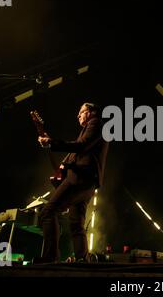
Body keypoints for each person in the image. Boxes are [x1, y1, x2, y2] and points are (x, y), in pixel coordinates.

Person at [37, 102, 109, 263]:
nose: (78, 116)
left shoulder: (96, 123)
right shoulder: (90, 128)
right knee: (76, 223)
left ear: (90, 112)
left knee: (48, 212)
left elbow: (81, 146)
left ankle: (50, 258)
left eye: (81, 112)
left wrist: (52, 142)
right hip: (87, 182)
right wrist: (60, 165)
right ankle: (82, 259)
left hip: (80, 178)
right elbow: (76, 153)